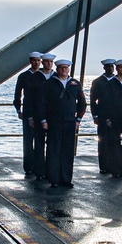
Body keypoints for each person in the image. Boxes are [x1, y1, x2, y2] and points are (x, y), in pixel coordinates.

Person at [42, 59, 86, 188]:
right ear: (57, 69)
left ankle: (66, 179)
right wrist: (44, 120)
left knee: (67, 151)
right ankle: (54, 179)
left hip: (70, 121)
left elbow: (82, 103)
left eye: (66, 68)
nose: (64, 70)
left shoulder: (75, 84)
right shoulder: (50, 84)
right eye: (61, 68)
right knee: (54, 150)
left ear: (69, 69)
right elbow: (43, 103)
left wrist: (78, 119)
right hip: (54, 121)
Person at [13, 51, 48, 178]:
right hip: (28, 111)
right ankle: (28, 166)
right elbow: (18, 94)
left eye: (39, 60)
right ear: (30, 61)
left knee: (41, 140)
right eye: (34, 60)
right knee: (28, 140)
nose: (36, 63)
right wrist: (18, 110)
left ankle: (41, 166)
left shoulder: (44, 76)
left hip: (42, 112)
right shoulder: (24, 76)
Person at [89, 58, 116, 175]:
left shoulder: (117, 81)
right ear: (104, 68)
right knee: (103, 142)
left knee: (115, 141)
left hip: (116, 116)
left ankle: (115, 165)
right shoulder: (98, 82)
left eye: (111, 66)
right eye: (108, 67)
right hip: (102, 115)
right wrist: (95, 115)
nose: (110, 68)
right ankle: (104, 166)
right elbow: (92, 100)